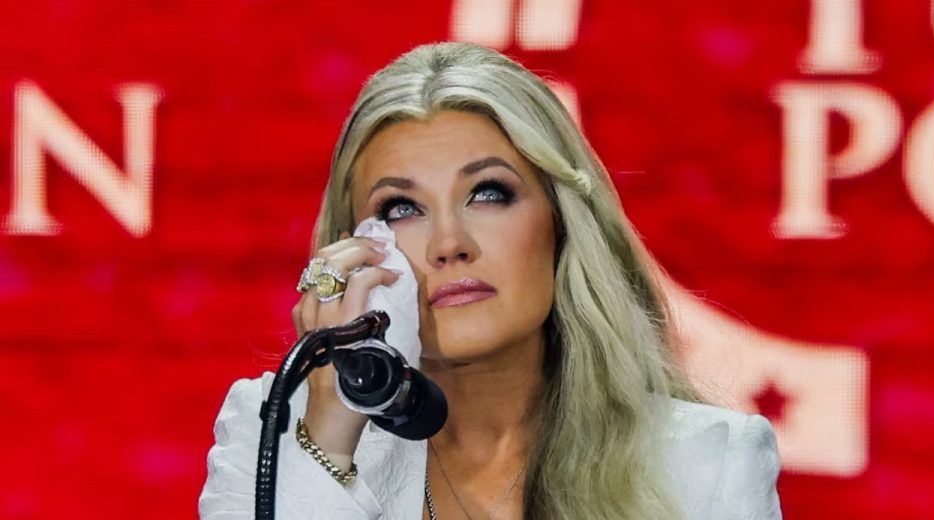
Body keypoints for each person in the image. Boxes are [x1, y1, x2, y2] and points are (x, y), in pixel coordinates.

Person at [199, 42, 782, 520]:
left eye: (488, 194)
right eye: (403, 208)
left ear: (560, 225)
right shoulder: (270, 430)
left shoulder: (709, 462)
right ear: (352, 252)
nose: (450, 243)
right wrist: (328, 433)